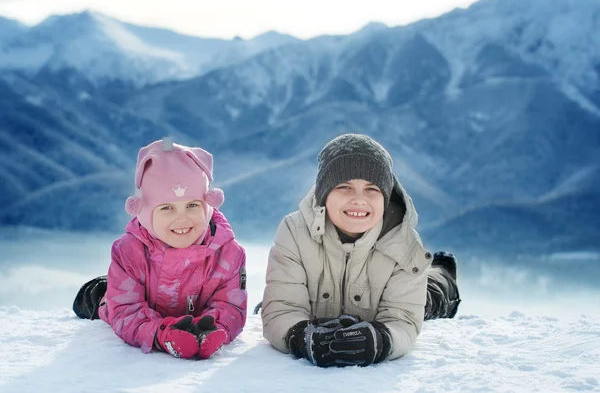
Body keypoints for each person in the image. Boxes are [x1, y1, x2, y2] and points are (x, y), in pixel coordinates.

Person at [261, 133, 460, 368]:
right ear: (325, 194)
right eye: (345, 187)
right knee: (265, 307)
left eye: (371, 189)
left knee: (429, 297)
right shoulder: (295, 231)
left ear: (385, 199)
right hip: (316, 308)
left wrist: (381, 340)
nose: (358, 199)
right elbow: (283, 309)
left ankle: (442, 273)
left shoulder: (402, 242)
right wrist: (299, 336)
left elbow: (402, 319)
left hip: (394, 297)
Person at [72, 138, 247, 360]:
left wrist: (212, 329)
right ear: (144, 210)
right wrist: (161, 334)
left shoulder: (228, 253)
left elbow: (230, 306)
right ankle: (96, 292)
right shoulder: (129, 252)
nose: (182, 218)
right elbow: (126, 311)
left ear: (208, 205)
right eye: (167, 208)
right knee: (104, 299)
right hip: (120, 301)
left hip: (194, 314)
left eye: (192, 205)